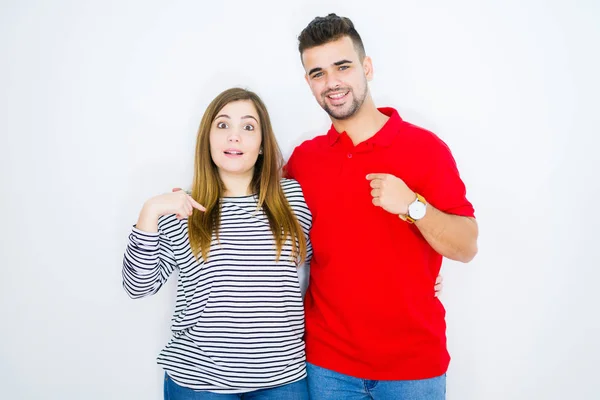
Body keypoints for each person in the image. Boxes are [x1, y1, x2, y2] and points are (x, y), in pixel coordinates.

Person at [284, 14, 479, 399]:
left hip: (414, 368)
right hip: (327, 367)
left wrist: (413, 206)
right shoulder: (304, 161)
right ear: (308, 83)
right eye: (318, 73)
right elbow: (258, 214)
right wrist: (196, 199)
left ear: (366, 67)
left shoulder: (426, 150)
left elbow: (467, 247)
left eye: (343, 66)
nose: (332, 82)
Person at [122, 88, 312, 399]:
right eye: (223, 125)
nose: (233, 137)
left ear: (263, 145)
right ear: (207, 139)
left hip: (284, 378)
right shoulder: (181, 208)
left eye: (248, 127)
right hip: (199, 383)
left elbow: (329, 263)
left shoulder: (293, 200)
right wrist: (150, 211)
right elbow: (138, 286)